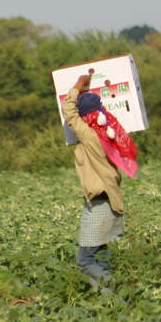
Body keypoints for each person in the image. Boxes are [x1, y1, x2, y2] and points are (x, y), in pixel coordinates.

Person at [61, 74, 138, 289]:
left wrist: (79, 83)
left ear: (86, 117)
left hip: (99, 204)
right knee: (102, 258)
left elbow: (68, 109)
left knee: (85, 262)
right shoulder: (108, 135)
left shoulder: (90, 136)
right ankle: (112, 301)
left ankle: (118, 290)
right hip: (111, 202)